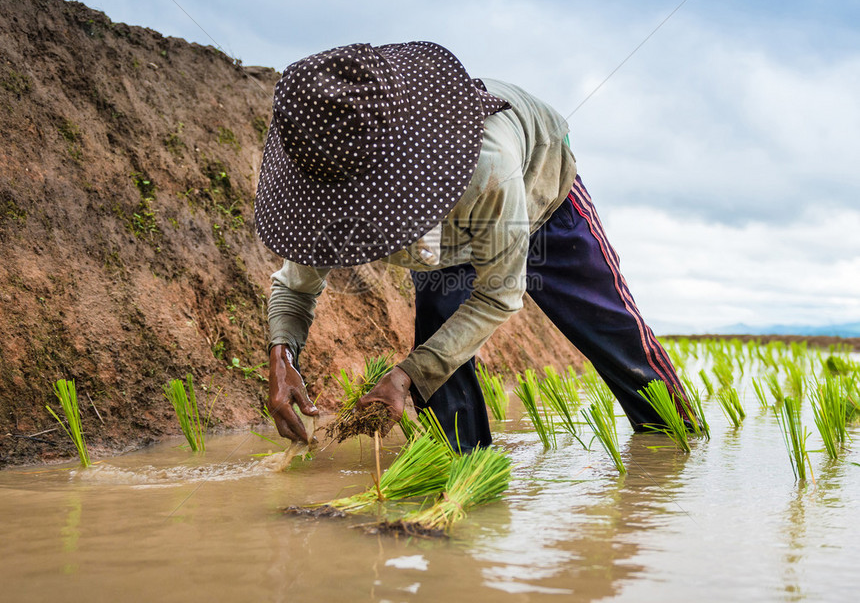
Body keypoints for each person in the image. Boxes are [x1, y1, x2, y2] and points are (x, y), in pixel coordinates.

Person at [255, 41, 688, 448]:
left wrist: (405, 376)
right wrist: (282, 357)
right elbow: (294, 285)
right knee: (440, 349)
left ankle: (676, 439)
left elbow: (500, 294)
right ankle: (465, 470)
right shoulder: (331, 169)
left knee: (609, 328)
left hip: (541, 195)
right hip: (447, 227)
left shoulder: (487, 163)